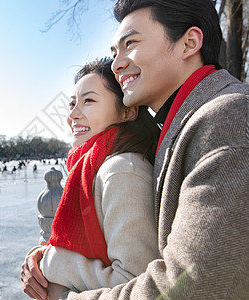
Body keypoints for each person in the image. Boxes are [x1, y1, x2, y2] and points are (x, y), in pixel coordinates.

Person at [21, 0, 249, 299]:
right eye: (115, 52)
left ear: (189, 43)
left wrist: (62, 293)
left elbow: (193, 286)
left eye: (131, 43)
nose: (117, 64)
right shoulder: (185, 123)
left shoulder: (227, 117)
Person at [22, 57, 160, 298]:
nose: (73, 115)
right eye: (72, 103)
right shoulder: (95, 166)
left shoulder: (122, 171)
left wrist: (55, 269)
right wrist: (43, 255)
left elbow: (136, 282)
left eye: (89, 101)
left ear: (127, 111)